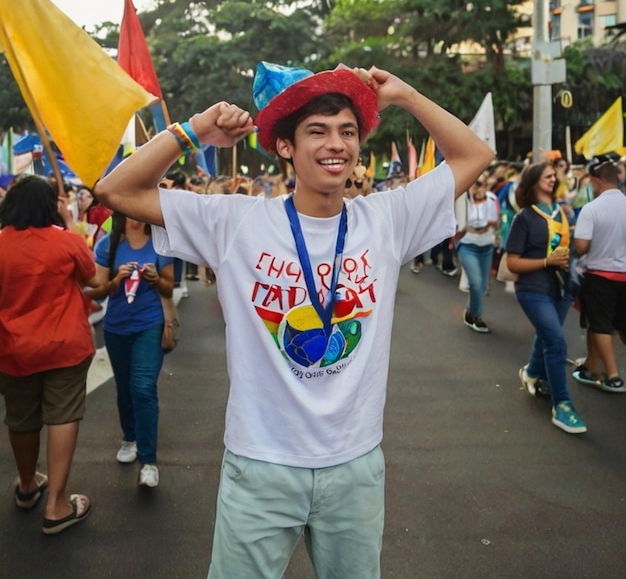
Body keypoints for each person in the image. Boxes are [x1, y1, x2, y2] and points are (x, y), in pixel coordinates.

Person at [95, 62, 494, 577]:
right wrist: (194, 130)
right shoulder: (237, 221)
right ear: (285, 146)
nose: (337, 144)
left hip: (354, 463)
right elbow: (114, 191)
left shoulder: (387, 219)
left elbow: (475, 154)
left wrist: (407, 95)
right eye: (318, 131)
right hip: (261, 463)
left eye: (348, 131)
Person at [0, 175, 96, 534]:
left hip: (13, 348)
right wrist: (69, 225)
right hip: (64, 344)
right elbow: (88, 273)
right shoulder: (65, 241)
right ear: (49, 206)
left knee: (21, 418)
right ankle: (57, 504)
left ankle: (27, 485)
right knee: (62, 415)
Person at [89, 212, 174, 487]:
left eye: (137, 211)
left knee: (143, 387)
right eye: (126, 212)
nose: (133, 217)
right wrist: (117, 280)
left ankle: (149, 461)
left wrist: (153, 278)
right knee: (124, 389)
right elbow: (99, 291)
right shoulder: (107, 245)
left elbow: (169, 287)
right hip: (115, 328)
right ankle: (129, 437)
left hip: (149, 324)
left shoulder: (162, 242)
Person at [505, 162, 586, 434]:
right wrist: (546, 260)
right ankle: (562, 405)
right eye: (548, 175)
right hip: (532, 289)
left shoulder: (563, 212)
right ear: (534, 180)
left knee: (546, 335)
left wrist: (566, 263)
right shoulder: (524, 218)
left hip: (562, 289)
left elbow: (569, 249)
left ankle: (532, 373)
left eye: (554, 175)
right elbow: (513, 263)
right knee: (556, 341)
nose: (553, 179)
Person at [571, 159, 626, 392]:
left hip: (599, 275)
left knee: (600, 324)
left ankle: (613, 376)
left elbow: (582, 247)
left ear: (595, 180)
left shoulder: (591, 208)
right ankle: (592, 366)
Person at [454, 175, 499, 333]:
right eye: (476, 184)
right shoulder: (462, 200)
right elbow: (458, 222)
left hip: (486, 245)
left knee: (482, 285)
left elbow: (495, 221)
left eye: (483, 184)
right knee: (476, 282)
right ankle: (476, 315)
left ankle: (472, 312)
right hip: (467, 245)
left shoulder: (492, 199)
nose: (480, 187)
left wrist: (490, 224)